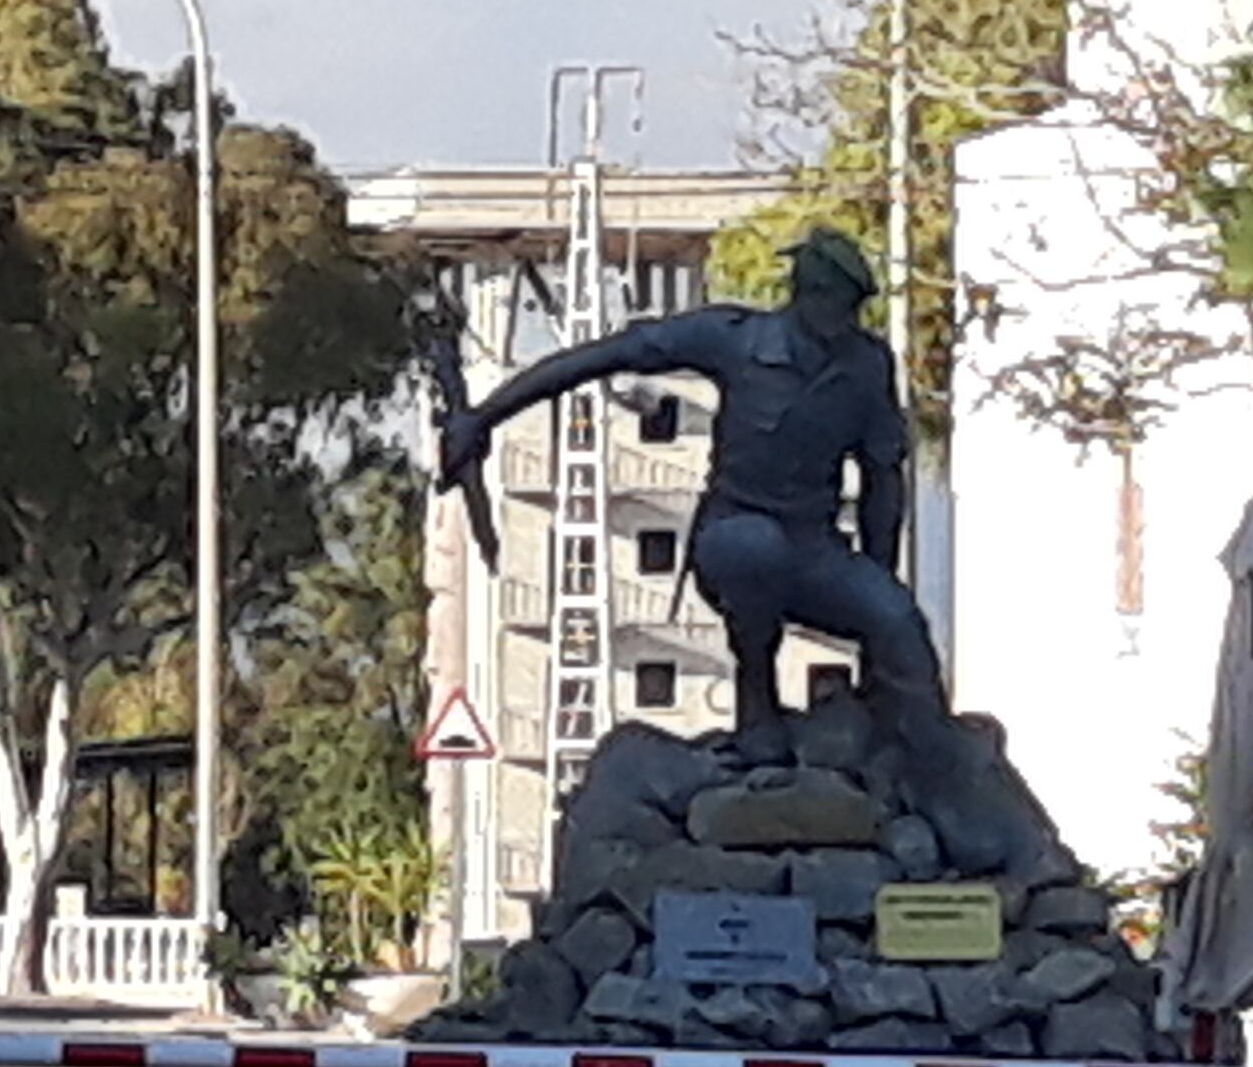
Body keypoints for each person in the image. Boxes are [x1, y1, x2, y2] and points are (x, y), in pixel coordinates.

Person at [436, 229, 1061, 879]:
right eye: (831, 300)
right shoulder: (734, 339)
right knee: (751, 551)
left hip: (816, 550)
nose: (840, 318)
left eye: (850, 307)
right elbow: (606, 356)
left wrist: (881, 581)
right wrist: (483, 418)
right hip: (734, 535)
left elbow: (883, 478)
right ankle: (755, 708)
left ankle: (939, 781)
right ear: (805, 293)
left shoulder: (865, 366)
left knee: (900, 623)